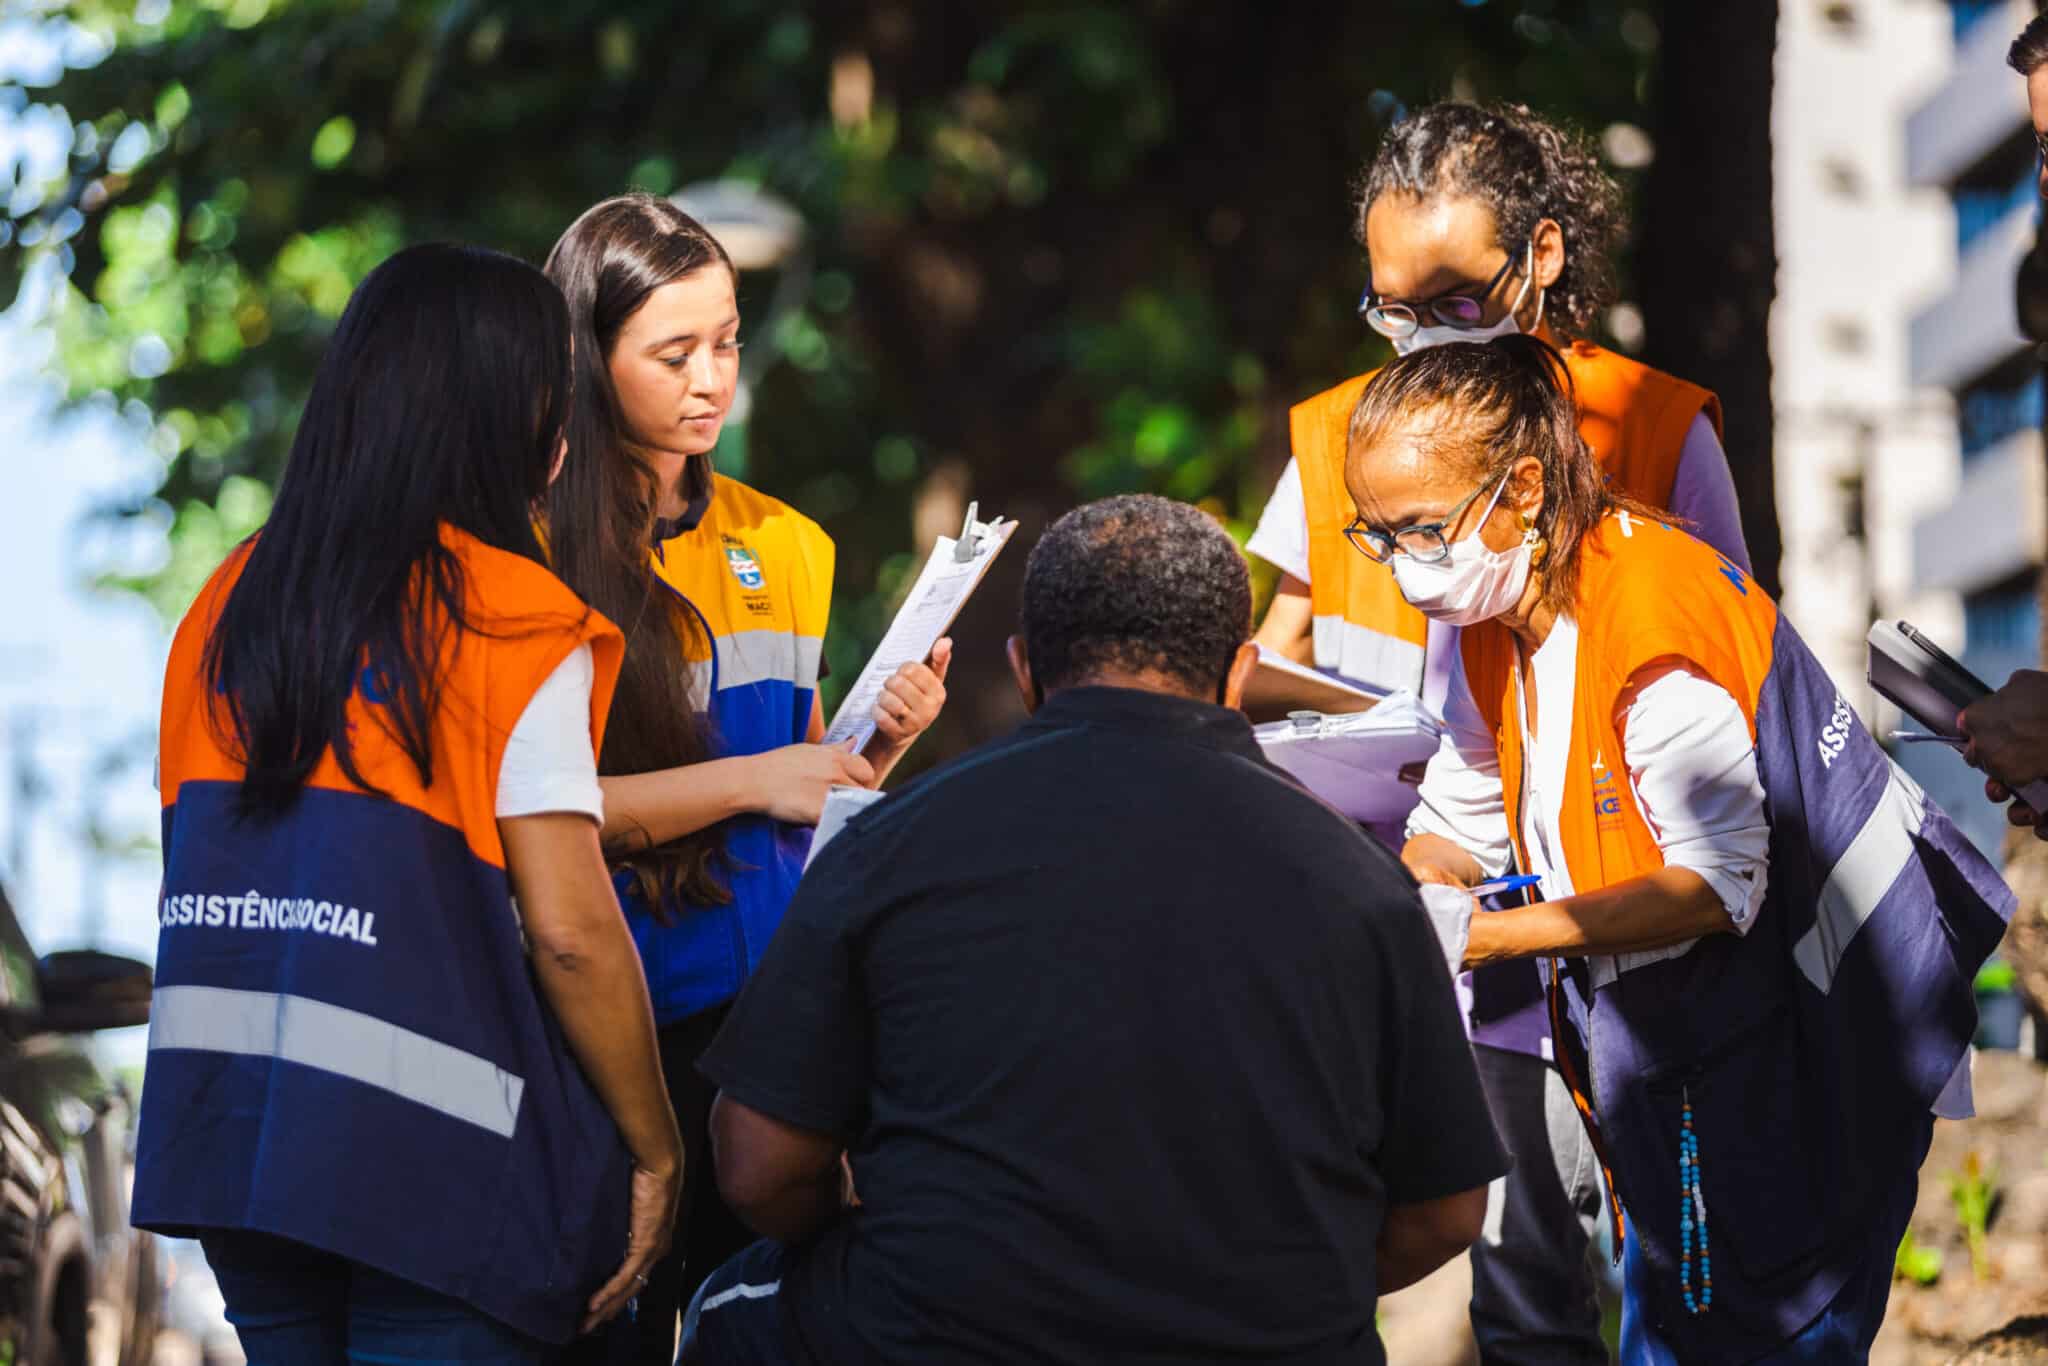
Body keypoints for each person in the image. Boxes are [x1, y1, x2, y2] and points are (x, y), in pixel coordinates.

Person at [675, 493, 1509, 1366]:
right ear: (1239, 674)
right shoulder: (1361, 881)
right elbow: (1446, 1210)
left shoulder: (889, 842)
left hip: (934, 1334)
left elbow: (756, 1166)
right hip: (1275, 1340)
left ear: (1025, 668)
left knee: (727, 1311)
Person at [1351, 336, 2013, 1361]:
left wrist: (1481, 938)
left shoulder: (1645, 607)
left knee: (1764, 1320)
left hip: (1811, 1028)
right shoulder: (1498, 615)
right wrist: (1412, 902)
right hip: (1681, 1044)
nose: (1400, 566)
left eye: (1418, 530)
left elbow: (1713, 881)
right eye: (1374, 536)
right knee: (1677, 1321)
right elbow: (1458, 816)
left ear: (1520, 489)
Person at [1250, 100, 1751, 1363]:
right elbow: (1297, 680)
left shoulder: (1652, 439)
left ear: (1537, 257)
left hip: (1650, 953)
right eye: (1389, 307)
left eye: (1454, 301)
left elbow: (1722, 764)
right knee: (1519, 1293)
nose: (1418, 339)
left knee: (1687, 1288)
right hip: (1450, 947)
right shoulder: (1336, 444)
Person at [133, 244, 683, 1365]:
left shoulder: (225, 604)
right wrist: (657, 1147)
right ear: (510, 415)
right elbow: (573, 935)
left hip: (238, 1141)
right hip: (430, 1170)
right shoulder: (509, 617)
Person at [541, 192, 951, 1359]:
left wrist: (870, 756)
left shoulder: (788, 543)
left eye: (724, 340)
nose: (712, 378)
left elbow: (804, 792)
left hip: (773, 1037)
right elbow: (539, 823)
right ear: (585, 354)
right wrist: (758, 779)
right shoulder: (523, 555)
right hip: (599, 1032)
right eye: (674, 353)